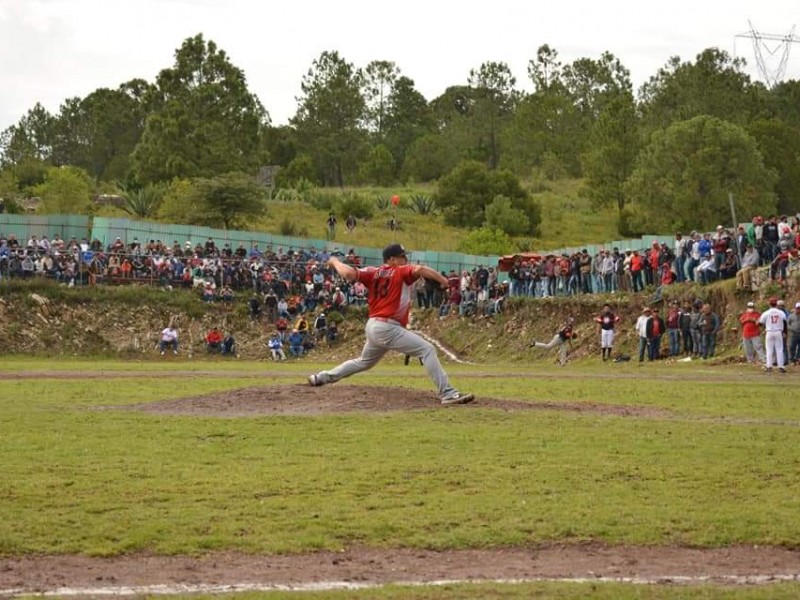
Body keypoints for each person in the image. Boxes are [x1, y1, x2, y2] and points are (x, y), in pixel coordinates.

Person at [308, 243, 474, 405]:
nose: (406, 260)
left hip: (373, 325)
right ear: (392, 259)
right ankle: (448, 393)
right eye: (403, 257)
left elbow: (350, 274)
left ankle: (322, 377)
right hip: (388, 327)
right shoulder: (400, 270)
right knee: (427, 350)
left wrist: (335, 261)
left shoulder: (372, 272)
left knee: (364, 362)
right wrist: (443, 280)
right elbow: (420, 269)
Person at [759, 296, 787, 372]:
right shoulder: (781, 312)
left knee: (769, 349)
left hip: (769, 331)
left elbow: (760, 323)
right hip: (778, 331)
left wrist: (764, 326)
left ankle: (769, 366)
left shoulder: (766, 313)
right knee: (779, 349)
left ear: (769, 304)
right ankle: (781, 366)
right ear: (776, 304)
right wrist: (784, 332)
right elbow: (785, 322)